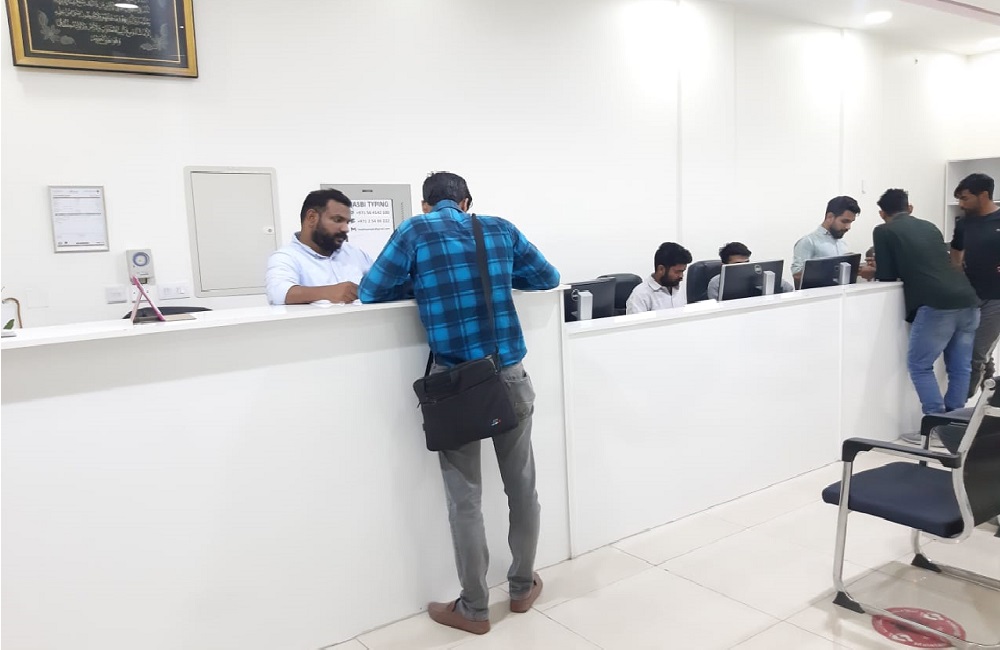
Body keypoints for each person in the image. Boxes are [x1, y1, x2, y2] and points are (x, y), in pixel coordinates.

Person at [358, 172, 559, 635]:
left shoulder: (414, 230)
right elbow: (547, 277)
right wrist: (498, 276)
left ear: (426, 204)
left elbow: (371, 291)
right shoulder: (500, 228)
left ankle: (474, 608)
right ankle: (522, 587)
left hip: (455, 384)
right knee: (522, 488)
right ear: (467, 201)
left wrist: (421, 284)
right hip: (509, 375)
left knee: (464, 500)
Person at [872, 188, 980, 443]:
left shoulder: (884, 230)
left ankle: (936, 427)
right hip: (968, 299)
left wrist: (871, 272)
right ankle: (955, 428)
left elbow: (886, 275)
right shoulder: (930, 226)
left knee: (920, 365)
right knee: (960, 367)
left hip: (937, 304)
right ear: (909, 208)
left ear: (882, 213)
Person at [265, 189, 372, 305]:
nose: (345, 229)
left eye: (347, 222)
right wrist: (328, 292)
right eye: (338, 220)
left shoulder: (355, 253)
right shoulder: (286, 257)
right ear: (312, 217)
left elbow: (379, 284)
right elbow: (277, 294)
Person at [950, 173, 1000, 399]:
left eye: (965, 198)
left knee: (976, 353)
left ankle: (961, 406)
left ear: (984, 195)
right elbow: (956, 252)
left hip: (996, 298)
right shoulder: (964, 223)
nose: (961, 204)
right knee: (980, 353)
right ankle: (991, 399)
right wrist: (958, 274)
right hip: (970, 297)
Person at [791, 195, 874, 286]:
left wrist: (855, 268)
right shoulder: (808, 242)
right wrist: (832, 270)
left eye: (851, 222)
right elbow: (797, 276)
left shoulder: (842, 243)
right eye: (844, 221)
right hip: (818, 294)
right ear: (830, 217)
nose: (848, 227)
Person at [706, 242, 795, 300]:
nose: (742, 267)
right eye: (737, 264)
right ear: (724, 265)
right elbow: (716, 310)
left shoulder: (760, 275)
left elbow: (789, 290)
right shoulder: (716, 283)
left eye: (746, 262)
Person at [625, 242, 691, 314]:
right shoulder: (640, 296)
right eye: (677, 272)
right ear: (661, 269)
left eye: (683, 271)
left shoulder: (678, 287)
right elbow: (637, 321)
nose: (681, 276)